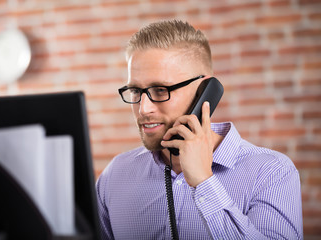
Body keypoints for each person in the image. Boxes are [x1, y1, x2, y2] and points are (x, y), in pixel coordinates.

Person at [96, 19, 303, 239]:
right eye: (136, 91)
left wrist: (204, 181)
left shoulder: (271, 173)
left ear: (204, 91)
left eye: (160, 89)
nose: (143, 109)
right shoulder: (116, 174)